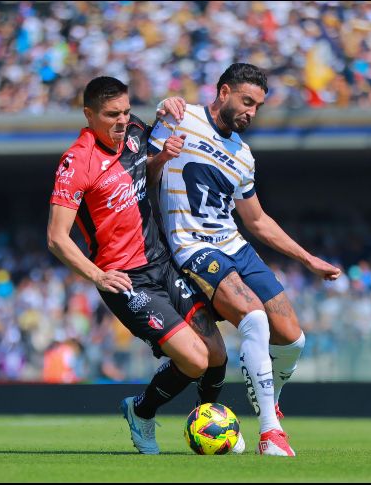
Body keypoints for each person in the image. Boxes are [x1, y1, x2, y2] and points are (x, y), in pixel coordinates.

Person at [148, 63, 342, 456]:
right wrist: (160, 145)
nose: (251, 112)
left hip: (234, 244)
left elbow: (257, 221)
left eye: (258, 106)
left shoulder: (243, 155)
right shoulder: (179, 116)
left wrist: (308, 259)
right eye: (246, 101)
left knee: (293, 337)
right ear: (223, 92)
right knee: (254, 318)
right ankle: (270, 432)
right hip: (192, 246)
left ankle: (270, 402)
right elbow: (144, 179)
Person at [46, 77, 241, 455]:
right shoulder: (76, 162)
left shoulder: (135, 131)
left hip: (161, 262)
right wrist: (98, 275)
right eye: (111, 115)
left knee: (217, 355)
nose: (122, 120)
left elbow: (142, 176)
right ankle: (142, 411)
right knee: (195, 359)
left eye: (125, 111)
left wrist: (161, 158)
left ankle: (212, 426)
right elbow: (56, 237)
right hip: (125, 279)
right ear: (89, 115)